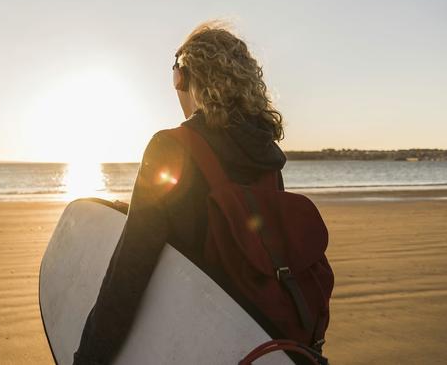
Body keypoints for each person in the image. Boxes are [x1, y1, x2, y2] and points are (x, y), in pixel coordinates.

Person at [73, 20, 289, 365]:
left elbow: (128, 273)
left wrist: (88, 359)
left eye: (176, 77)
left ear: (188, 79)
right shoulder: (267, 158)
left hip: (191, 340)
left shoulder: (171, 147)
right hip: (254, 335)